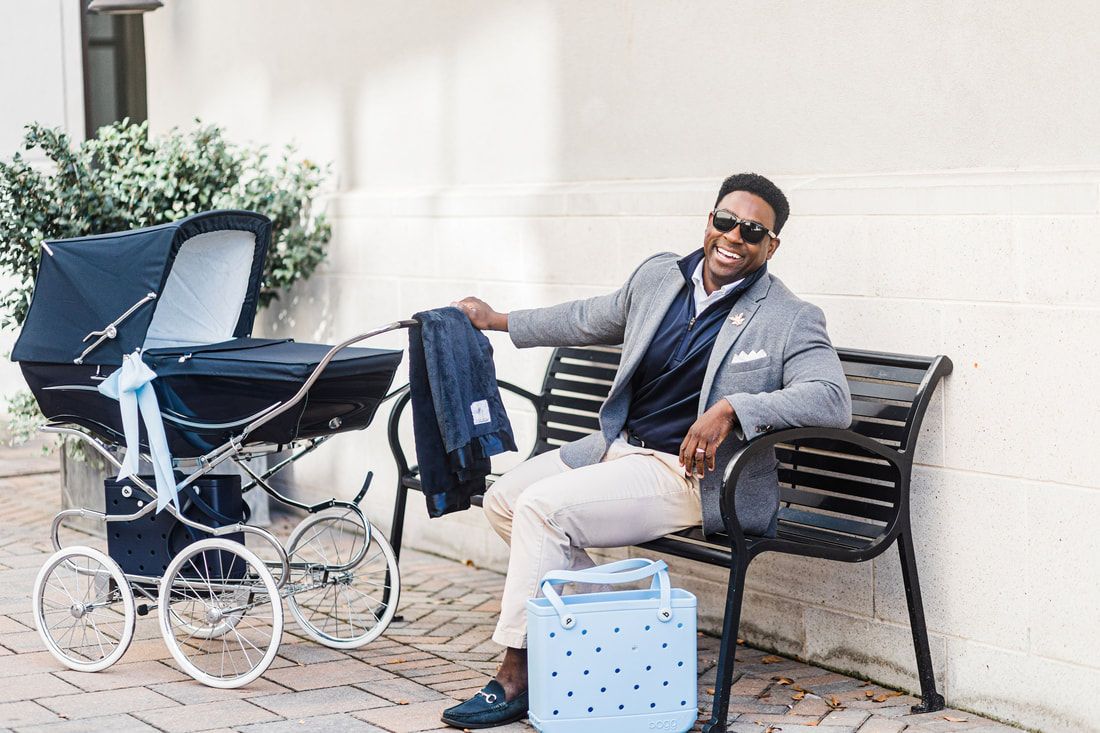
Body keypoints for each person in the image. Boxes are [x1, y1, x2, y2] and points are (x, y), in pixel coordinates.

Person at [439, 172, 852, 729]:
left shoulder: (789, 316)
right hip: (616, 449)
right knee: (505, 502)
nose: (734, 237)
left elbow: (831, 400)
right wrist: (497, 321)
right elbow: (589, 317)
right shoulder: (660, 276)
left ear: (771, 245)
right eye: (725, 221)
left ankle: (517, 673)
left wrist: (734, 408)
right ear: (708, 221)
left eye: (752, 231)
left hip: (691, 475)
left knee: (544, 511)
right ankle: (626, 612)